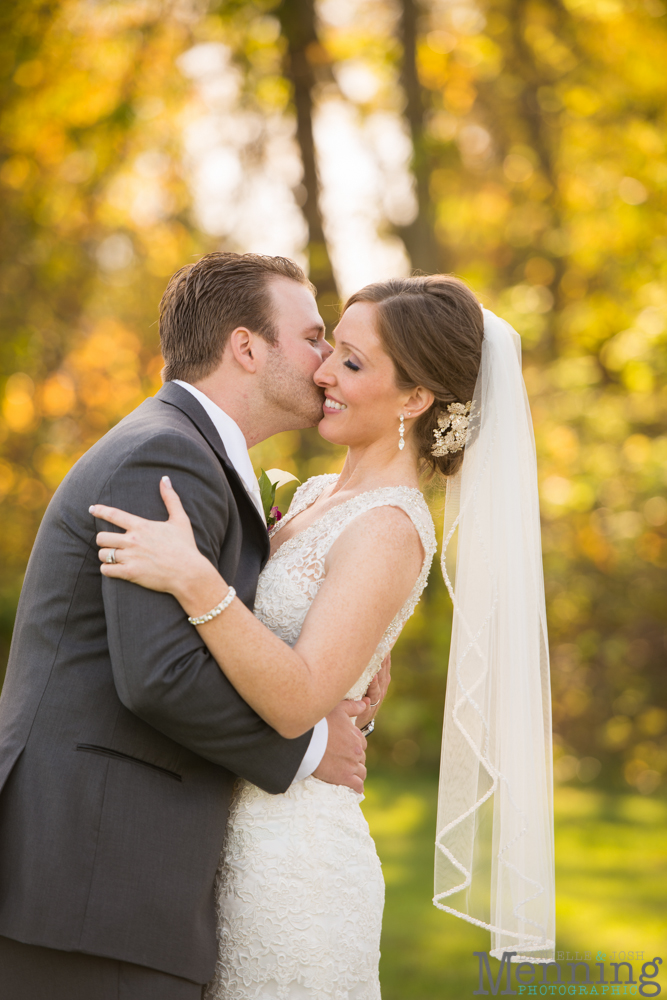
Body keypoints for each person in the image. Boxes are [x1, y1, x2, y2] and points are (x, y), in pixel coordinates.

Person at [89, 273, 493, 999]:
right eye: (329, 348)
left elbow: (298, 699)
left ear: (413, 399)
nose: (323, 373)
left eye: (352, 363)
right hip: (222, 835)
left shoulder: (392, 527)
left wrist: (195, 579)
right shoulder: (310, 498)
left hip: (294, 861)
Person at [0, 253, 385, 1000]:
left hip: (106, 879)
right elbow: (159, 675)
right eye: (311, 338)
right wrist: (311, 748)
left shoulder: (188, 450)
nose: (324, 364)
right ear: (247, 347)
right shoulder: (164, 455)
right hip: (91, 876)